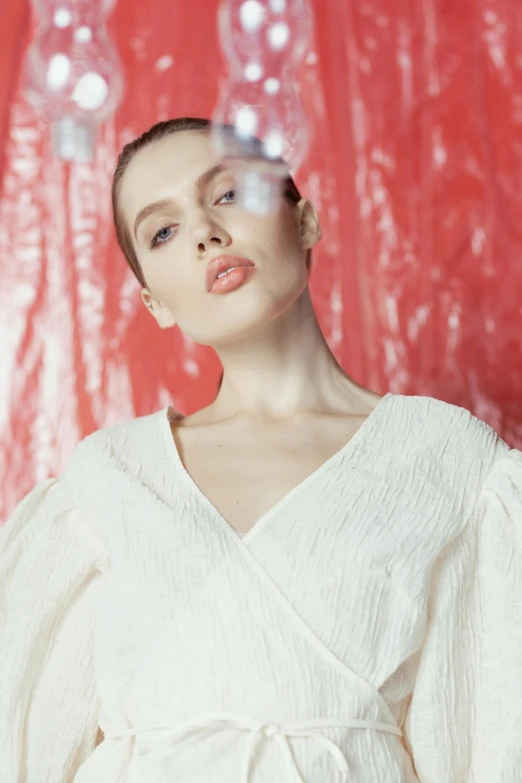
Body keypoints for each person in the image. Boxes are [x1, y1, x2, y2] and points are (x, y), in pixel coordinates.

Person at [0, 116, 521, 783]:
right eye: (163, 231)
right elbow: (28, 744)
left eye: (228, 194)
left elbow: (487, 737)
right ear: (153, 302)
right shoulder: (106, 482)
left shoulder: (449, 465)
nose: (205, 233)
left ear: (304, 220)